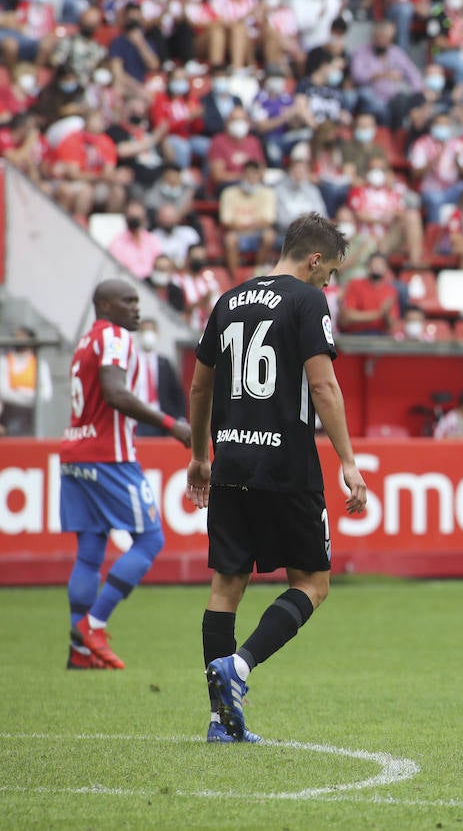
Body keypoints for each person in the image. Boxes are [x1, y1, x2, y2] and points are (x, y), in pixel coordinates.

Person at [186, 212, 368, 743]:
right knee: (312, 582)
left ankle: (220, 721)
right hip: (287, 464)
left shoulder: (228, 300)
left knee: (226, 586)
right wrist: (349, 461)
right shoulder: (308, 300)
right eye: (330, 271)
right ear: (314, 260)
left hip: (232, 464)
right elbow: (324, 387)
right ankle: (238, 669)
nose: (328, 282)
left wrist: (201, 456)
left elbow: (200, 389)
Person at [61, 280, 193, 669]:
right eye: (127, 301)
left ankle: (79, 653)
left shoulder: (86, 342)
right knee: (150, 539)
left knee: (89, 553)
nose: (136, 308)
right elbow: (116, 393)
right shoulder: (115, 337)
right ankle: (92, 625)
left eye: (137, 301)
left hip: (74, 453)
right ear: (104, 304)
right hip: (109, 457)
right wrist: (172, 424)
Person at [132, 319, 188, 438]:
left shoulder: (164, 363)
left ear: (157, 333)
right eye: (145, 330)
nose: (148, 335)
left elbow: (176, 392)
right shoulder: (131, 360)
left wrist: (180, 417)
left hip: (159, 418)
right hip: (137, 417)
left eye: (151, 330)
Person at [0, 325, 53, 437]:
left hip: (31, 421)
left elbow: (45, 395)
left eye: (22, 336)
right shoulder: (4, 362)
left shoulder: (40, 365)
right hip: (6, 421)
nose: (17, 339)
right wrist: (31, 394)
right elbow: (3, 391)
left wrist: (17, 390)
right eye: (16, 336)